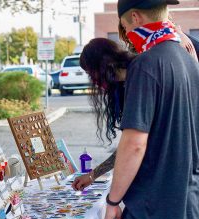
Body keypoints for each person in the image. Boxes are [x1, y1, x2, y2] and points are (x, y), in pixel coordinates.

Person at [103, 1, 199, 219]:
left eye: (124, 27)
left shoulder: (146, 65)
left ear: (134, 17)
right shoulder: (189, 61)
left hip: (153, 215)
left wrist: (113, 201)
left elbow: (134, 144)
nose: (126, 35)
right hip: (189, 209)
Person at [72, 20, 199, 192]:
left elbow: (133, 145)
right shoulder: (129, 81)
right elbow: (130, 144)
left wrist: (113, 200)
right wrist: (93, 175)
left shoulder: (141, 75)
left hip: (172, 179)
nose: (92, 80)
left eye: (90, 73)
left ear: (101, 66)